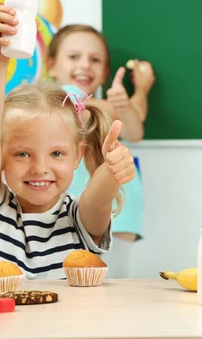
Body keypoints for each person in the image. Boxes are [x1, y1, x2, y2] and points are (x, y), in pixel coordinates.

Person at [0, 5, 135, 279]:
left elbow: (98, 200)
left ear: (78, 155)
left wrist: (111, 172)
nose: (40, 168)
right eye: (22, 154)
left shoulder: (78, 218)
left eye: (56, 153)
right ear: (0, 155)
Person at [46, 24, 155, 277]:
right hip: (79, 214)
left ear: (105, 72)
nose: (84, 65)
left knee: (108, 290)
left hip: (121, 213)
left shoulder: (107, 110)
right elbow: (116, 111)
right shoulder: (62, 98)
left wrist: (133, 99)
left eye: (95, 60)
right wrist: (139, 92)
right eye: (73, 57)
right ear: (51, 65)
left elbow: (134, 131)